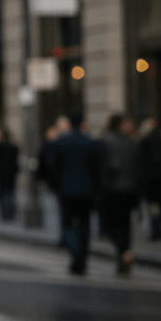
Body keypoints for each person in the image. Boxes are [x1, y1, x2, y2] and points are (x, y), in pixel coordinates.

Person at [51, 112, 101, 275]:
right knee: (85, 226)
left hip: (66, 192)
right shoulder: (91, 143)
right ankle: (82, 260)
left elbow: (54, 169)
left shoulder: (60, 142)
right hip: (87, 192)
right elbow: (97, 170)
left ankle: (75, 254)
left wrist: (55, 187)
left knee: (68, 225)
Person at [98, 114, 140, 275]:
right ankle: (125, 254)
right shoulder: (132, 143)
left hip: (111, 191)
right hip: (130, 191)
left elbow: (101, 169)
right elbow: (139, 169)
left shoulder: (104, 143)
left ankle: (123, 252)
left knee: (111, 226)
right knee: (125, 225)